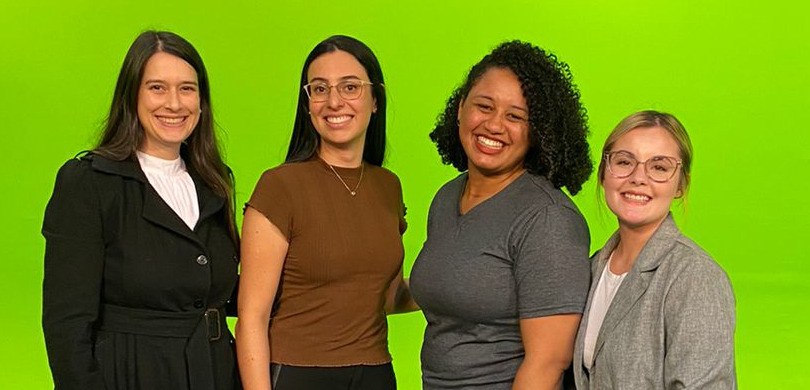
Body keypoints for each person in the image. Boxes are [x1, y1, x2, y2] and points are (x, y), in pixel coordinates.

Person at [41, 31, 240, 390]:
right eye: (157, 88)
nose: (175, 104)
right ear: (131, 96)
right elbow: (67, 324)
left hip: (214, 370)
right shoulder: (89, 182)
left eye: (187, 89)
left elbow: (216, 289)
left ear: (202, 101)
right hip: (132, 373)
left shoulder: (214, 182)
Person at [409, 40, 593, 389]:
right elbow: (450, 286)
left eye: (515, 117)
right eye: (484, 106)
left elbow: (548, 362)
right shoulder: (447, 197)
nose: (494, 125)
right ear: (461, 108)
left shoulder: (547, 219)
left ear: (538, 132)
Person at [236, 35, 414, 390]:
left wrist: (458, 284)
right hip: (299, 375)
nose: (334, 102)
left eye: (350, 87)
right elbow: (251, 318)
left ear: (375, 99)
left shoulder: (388, 187)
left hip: (376, 374)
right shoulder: (280, 187)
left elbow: (382, 296)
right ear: (307, 103)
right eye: (319, 89)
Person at [573, 110, 736, 388]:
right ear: (603, 174)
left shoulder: (696, 278)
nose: (638, 177)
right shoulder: (589, 269)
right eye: (624, 162)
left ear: (680, 185)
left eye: (659, 167)